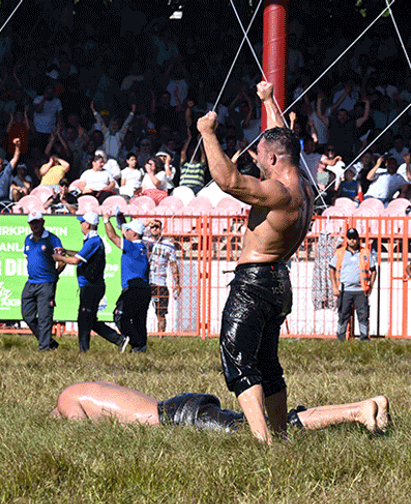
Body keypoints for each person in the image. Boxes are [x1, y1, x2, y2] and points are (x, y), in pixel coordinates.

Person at [196, 80, 315, 444]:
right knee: (268, 364)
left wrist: (207, 133)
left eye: (260, 155)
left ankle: (263, 441)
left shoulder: (277, 192)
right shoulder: (304, 187)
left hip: (255, 282)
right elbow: (285, 142)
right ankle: (279, 435)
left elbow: (227, 180)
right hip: (280, 281)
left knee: (238, 360)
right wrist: (268, 102)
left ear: (274, 159)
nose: (256, 159)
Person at [51, 381, 390, 435]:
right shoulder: (81, 388)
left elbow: (82, 435)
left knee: (267, 428)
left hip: (181, 417)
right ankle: (361, 407)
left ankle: (356, 411)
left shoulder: (68, 402)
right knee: (261, 423)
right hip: (179, 406)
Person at [53, 211, 129, 353]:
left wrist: (58, 258)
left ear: (87, 224)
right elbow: (81, 254)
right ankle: (119, 340)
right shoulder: (93, 240)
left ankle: (85, 350)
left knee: (84, 319)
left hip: (90, 286)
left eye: (82, 222)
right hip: (92, 286)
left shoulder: (92, 241)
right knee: (89, 319)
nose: (81, 224)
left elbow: (76, 260)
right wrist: (66, 251)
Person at [103, 212, 152, 353]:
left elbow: (113, 237)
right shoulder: (141, 247)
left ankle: (132, 340)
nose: (125, 232)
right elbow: (122, 232)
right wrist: (121, 220)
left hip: (133, 288)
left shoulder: (131, 247)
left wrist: (106, 220)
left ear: (134, 234)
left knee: (120, 315)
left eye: (128, 230)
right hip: (144, 289)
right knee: (138, 320)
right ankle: (140, 346)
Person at [22, 211, 65, 352]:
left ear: (43, 222)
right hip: (31, 281)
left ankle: (44, 349)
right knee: (27, 315)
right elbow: (28, 258)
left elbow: (62, 260)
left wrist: (55, 274)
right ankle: (49, 342)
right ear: (29, 224)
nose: (35, 225)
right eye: (32, 222)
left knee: (45, 317)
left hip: (46, 282)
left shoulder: (52, 239)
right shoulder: (28, 239)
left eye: (37, 222)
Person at [329, 228, 377, 342]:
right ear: (347, 239)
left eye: (354, 238)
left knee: (363, 316)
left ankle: (364, 338)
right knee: (343, 315)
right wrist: (334, 287)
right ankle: (340, 338)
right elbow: (331, 269)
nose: (352, 241)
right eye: (350, 238)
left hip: (361, 290)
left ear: (358, 239)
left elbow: (374, 270)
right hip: (344, 290)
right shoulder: (340, 253)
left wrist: (370, 285)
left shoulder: (365, 252)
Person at [143, 219, 181, 334]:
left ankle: (161, 336)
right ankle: (141, 336)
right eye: (152, 227)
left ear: (161, 229)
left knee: (161, 314)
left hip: (160, 283)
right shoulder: (145, 241)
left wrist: (177, 283)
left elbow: (173, 264)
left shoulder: (168, 244)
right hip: (145, 281)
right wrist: (146, 225)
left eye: (157, 227)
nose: (154, 229)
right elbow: (131, 233)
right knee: (141, 312)